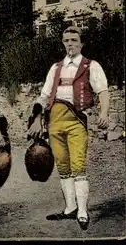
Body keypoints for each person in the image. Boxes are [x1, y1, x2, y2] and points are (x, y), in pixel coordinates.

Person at [28, 26, 109, 230]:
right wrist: (37, 119)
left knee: (78, 165)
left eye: (74, 40)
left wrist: (104, 113)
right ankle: (70, 208)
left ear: (82, 43)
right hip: (54, 121)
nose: (70, 44)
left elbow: (103, 91)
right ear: (62, 43)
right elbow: (44, 96)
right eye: (66, 40)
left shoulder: (91, 66)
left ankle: (82, 212)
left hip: (77, 122)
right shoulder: (56, 68)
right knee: (63, 166)